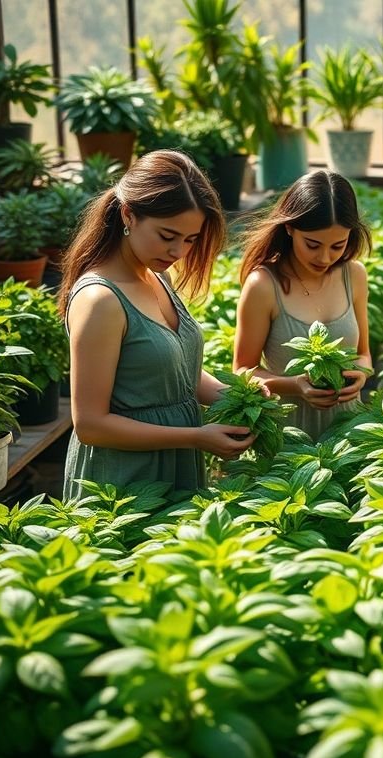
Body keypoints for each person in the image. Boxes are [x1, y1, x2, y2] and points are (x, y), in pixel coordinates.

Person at [58, 149, 255, 498]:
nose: (179, 251)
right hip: (123, 480)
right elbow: (90, 425)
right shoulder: (100, 300)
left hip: (174, 461)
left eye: (190, 239)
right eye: (168, 236)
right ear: (129, 215)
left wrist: (241, 396)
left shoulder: (155, 276)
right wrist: (195, 436)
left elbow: (179, 376)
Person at [233, 170, 371, 441]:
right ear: (289, 228)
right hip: (288, 436)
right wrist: (294, 386)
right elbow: (242, 371)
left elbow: (364, 353)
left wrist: (361, 375)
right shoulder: (263, 285)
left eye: (337, 246)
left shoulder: (353, 275)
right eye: (312, 244)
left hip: (349, 432)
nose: (324, 257)